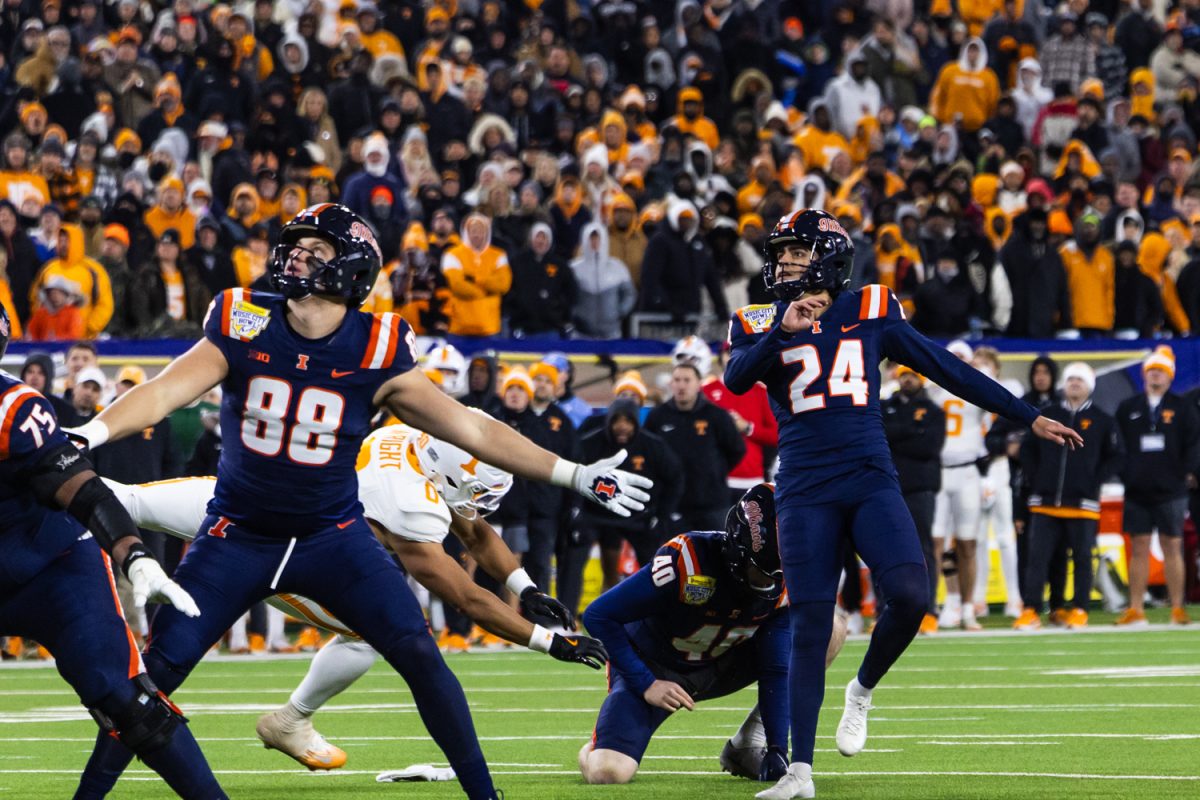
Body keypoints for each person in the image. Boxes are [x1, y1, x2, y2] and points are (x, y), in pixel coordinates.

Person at [65, 203, 652, 800]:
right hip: (237, 533)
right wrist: (92, 433)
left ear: (351, 272)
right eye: (296, 246)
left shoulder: (378, 345)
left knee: (421, 654)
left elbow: (473, 431)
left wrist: (573, 474)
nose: (297, 256)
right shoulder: (243, 318)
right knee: (153, 678)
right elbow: (164, 391)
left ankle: (484, 796)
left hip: (332, 539)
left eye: (316, 251)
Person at [723, 209, 1080, 800]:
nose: (783, 260)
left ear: (829, 257)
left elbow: (946, 368)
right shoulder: (759, 319)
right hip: (805, 487)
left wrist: (1027, 414)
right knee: (810, 623)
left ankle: (860, 689)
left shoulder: (871, 310)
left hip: (868, 476)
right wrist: (781, 330)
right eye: (780, 250)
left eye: (795, 250)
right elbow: (737, 379)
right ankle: (800, 773)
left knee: (913, 595)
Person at [103, 422, 605, 774]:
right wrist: (551, 642)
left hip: (250, 498)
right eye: (475, 490)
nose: (480, 506)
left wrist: (526, 588)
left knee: (125, 497)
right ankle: (291, 721)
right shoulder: (413, 505)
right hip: (285, 551)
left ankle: (43, 462)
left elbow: (474, 532)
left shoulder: (409, 441)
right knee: (371, 633)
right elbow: (466, 597)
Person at [0, 304, 227, 799]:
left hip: (50, 569)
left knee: (130, 704)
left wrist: (135, 554)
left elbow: (80, 487)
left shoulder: (13, 408)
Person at [579, 485, 847, 785]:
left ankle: (749, 743)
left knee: (828, 628)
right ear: (737, 548)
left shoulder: (783, 576)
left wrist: (777, 749)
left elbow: (776, 668)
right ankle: (595, 747)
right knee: (608, 773)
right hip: (657, 666)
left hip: (722, 660)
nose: (772, 581)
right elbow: (598, 615)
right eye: (764, 570)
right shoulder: (689, 561)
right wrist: (646, 683)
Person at [1015, 362, 1122, 630]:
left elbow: (1116, 458)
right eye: (1071, 379)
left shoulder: (1102, 420)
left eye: (1080, 380)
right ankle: (1030, 610)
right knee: (1037, 559)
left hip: (1082, 502)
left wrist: (1093, 481)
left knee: (1083, 558)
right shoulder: (1047, 416)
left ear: (1090, 386)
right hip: (1045, 500)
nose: (1075, 383)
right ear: (1064, 383)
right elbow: (1026, 450)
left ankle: (1080, 609)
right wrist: (1036, 477)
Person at [562, 399, 683, 613]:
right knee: (573, 552)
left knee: (658, 564)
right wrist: (576, 510)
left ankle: (663, 614)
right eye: (617, 420)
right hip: (595, 515)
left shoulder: (652, 445)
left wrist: (661, 515)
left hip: (637, 516)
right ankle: (564, 616)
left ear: (636, 423)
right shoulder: (590, 443)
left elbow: (675, 478)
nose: (622, 426)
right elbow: (572, 475)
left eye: (628, 421)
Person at [1115, 346, 1200, 627]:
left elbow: (1193, 443)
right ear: (1143, 374)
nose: (1155, 375)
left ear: (1170, 376)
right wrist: (1126, 474)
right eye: (1151, 370)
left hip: (1171, 488)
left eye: (1160, 371)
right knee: (1137, 547)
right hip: (1137, 488)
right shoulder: (1129, 408)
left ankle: (1177, 607)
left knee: (1172, 545)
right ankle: (1136, 608)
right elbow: (1120, 447)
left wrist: (1187, 472)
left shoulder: (1182, 407)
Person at [927, 340, 990, 631]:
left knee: (967, 543)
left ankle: (968, 608)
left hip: (967, 471)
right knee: (935, 543)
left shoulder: (979, 386)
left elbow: (1005, 396)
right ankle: (932, 607)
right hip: (938, 471)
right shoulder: (932, 387)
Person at [881, 365, 945, 635]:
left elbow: (928, 447)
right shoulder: (885, 406)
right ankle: (885, 609)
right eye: (904, 375)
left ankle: (928, 610)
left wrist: (898, 433)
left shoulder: (934, 411)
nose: (907, 380)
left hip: (920, 487)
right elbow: (880, 437)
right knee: (884, 550)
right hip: (888, 486)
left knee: (923, 549)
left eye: (912, 376)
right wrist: (912, 429)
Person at [645, 363, 746, 533]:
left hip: (713, 504)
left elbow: (737, 450)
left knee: (717, 557)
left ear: (699, 383)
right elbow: (647, 453)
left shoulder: (717, 416)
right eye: (677, 380)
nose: (681, 385)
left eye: (687, 380)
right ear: (671, 384)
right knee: (673, 557)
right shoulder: (658, 417)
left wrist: (714, 472)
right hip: (672, 506)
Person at [703, 343, 780, 505]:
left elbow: (776, 435)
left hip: (750, 479)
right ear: (721, 357)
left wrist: (748, 428)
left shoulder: (761, 392)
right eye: (728, 352)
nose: (732, 356)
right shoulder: (706, 391)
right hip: (713, 480)